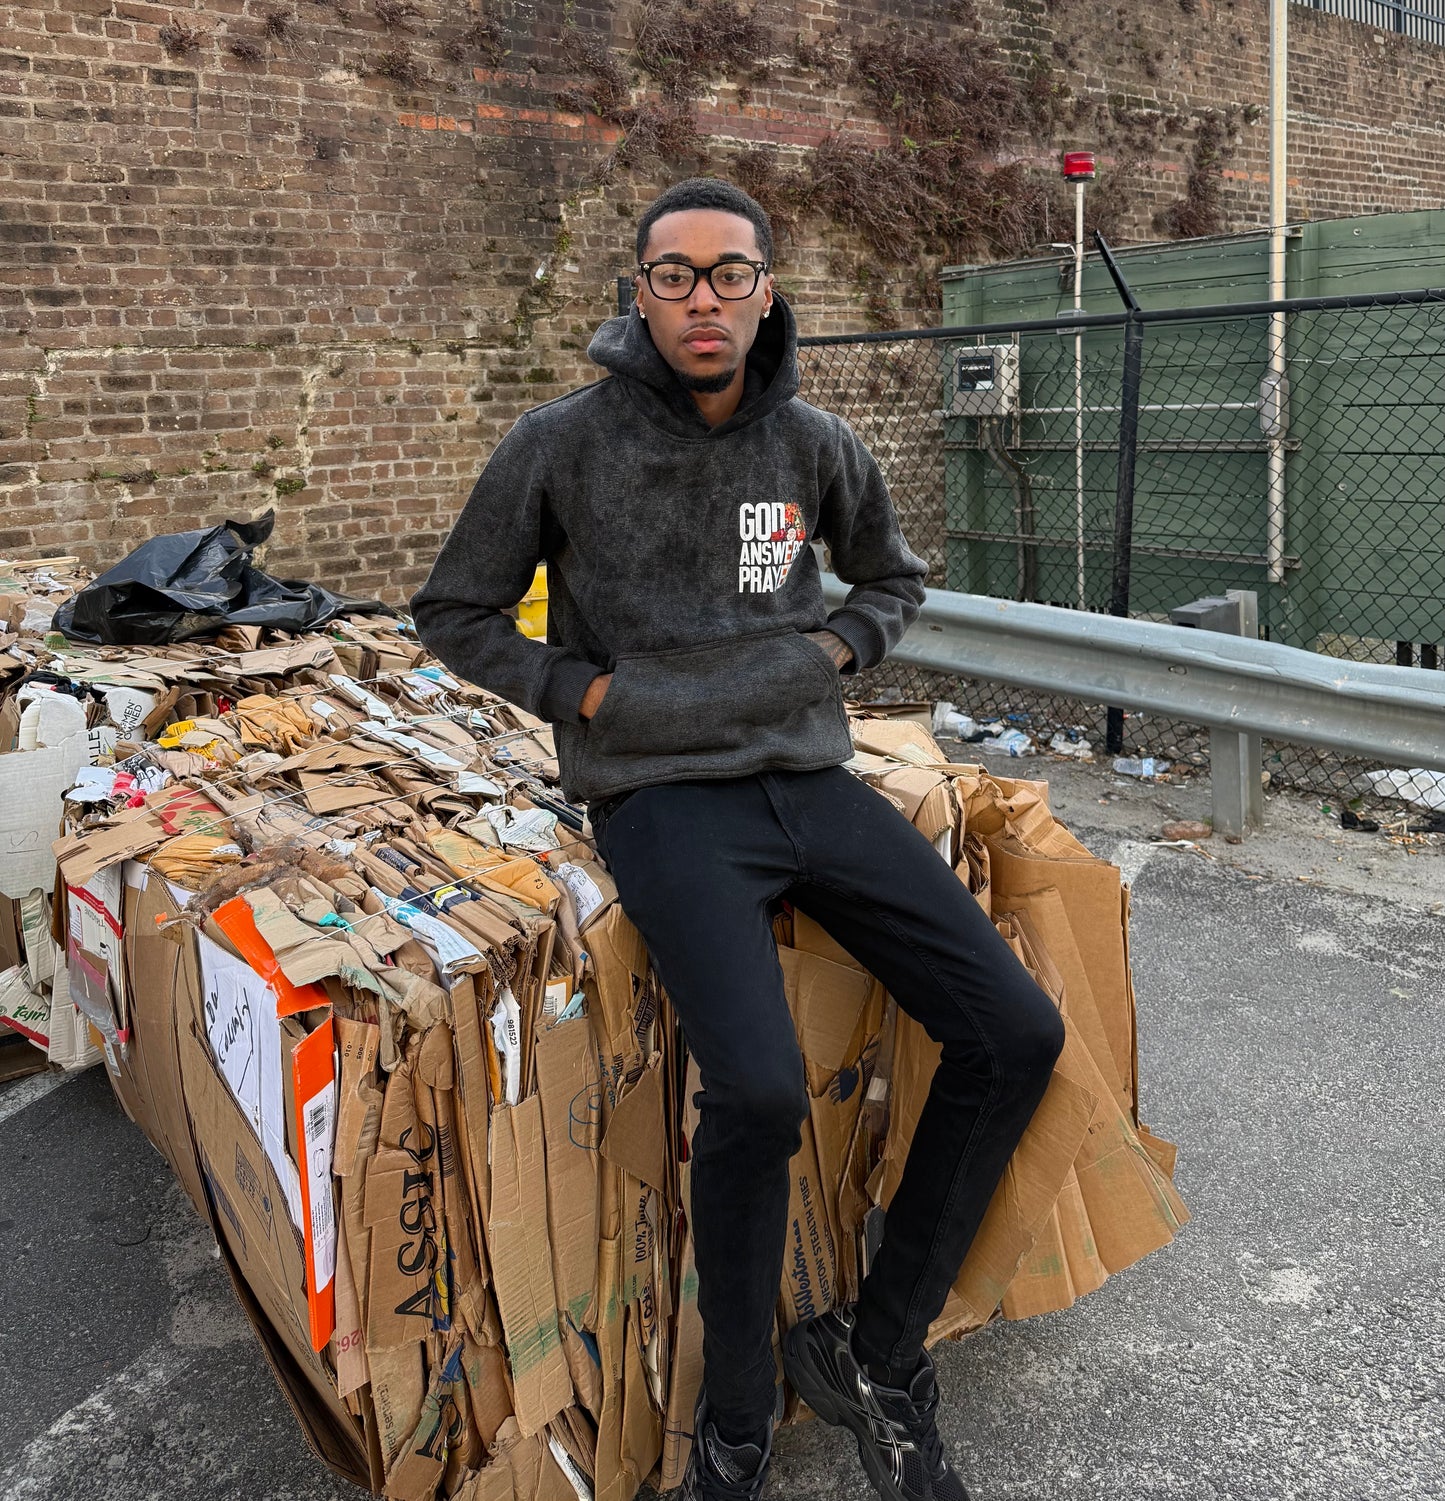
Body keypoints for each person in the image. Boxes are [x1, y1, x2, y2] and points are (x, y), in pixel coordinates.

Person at [411, 178, 1065, 1501]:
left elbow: (890, 577)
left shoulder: (815, 443)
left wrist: (832, 647)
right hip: (660, 795)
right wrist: (591, 697)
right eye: (674, 275)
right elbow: (454, 609)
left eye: (727, 273)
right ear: (636, 291)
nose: (701, 298)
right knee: (758, 1092)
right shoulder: (561, 442)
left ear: (766, 289)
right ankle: (736, 1418)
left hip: (807, 779)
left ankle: (874, 1349)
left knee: (1016, 1029)